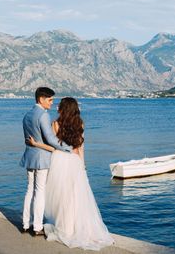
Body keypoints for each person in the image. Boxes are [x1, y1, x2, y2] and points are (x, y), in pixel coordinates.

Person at [28, 97, 114, 250]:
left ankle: (66, 229)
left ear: (63, 108)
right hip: (75, 162)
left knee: (62, 197)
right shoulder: (80, 124)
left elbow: (53, 148)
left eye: (59, 105)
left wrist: (36, 144)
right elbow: (81, 147)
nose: (57, 107)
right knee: (76, 197)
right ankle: (76, 228)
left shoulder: (55, 124)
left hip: (59, 161)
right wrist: (83, 166)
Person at [20, 87, 72, 236]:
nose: (51, 103)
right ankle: (37, 227)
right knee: (40, 191)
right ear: (41, 99)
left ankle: (25, 224)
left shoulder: (27, 115)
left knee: (29, 190)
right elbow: (50, 139)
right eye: (50, 100)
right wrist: (66, 148)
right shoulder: (43, 115)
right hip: (42, 158)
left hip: (29, 155)